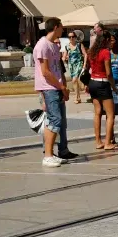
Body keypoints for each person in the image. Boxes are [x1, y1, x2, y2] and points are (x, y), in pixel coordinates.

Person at [35, 17, 78, 167]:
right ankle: (47, 155)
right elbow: (45, 72)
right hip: (49, 88)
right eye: (61, 27)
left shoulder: (53, 46)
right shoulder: (42, 45)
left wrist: (64, 88)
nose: (63, 29)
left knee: (57, 121)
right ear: (55, 27)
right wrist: (60, 87)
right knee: (54, 120)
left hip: (56, 87)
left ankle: (52, 154)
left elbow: (58, 69)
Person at [87, 31, 118, 150]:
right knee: (110, 114)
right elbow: (108, 73)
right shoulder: (105, 52)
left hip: (92, 82)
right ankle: (108, 143)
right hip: (103, 82)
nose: (112, 42)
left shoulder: (92, 52)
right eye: (110, 40)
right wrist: (114, 87)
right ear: (105, 40)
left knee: (97, 112)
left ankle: (98, 141)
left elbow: (88, 68)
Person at [64, 30, 87, 104]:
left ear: (75, 37)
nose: (71, 38)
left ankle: (77, 97)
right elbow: (64, 56)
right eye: (69, 37)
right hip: (71, 66)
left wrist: (84, 64)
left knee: (74, 80)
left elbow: (85, 54)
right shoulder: (67, 46)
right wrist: (64, 58)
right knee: (75, 81)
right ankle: (78, 97)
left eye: (72, 36)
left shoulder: (79, 45)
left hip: (79, 64)